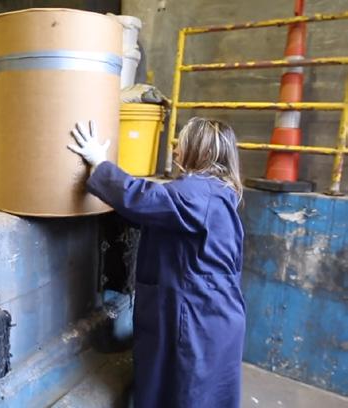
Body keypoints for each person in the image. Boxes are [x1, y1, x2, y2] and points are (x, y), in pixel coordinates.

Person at [68, 117, 246, 408]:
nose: (175, 150)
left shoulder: (199, 193)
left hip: (196, 318)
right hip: (212, 314)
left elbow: (142, 198)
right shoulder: (218, 192)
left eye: (182, 143)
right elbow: (160, 214)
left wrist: (100, 164)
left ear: (200, 149)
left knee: (184, 393)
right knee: (200, 393)